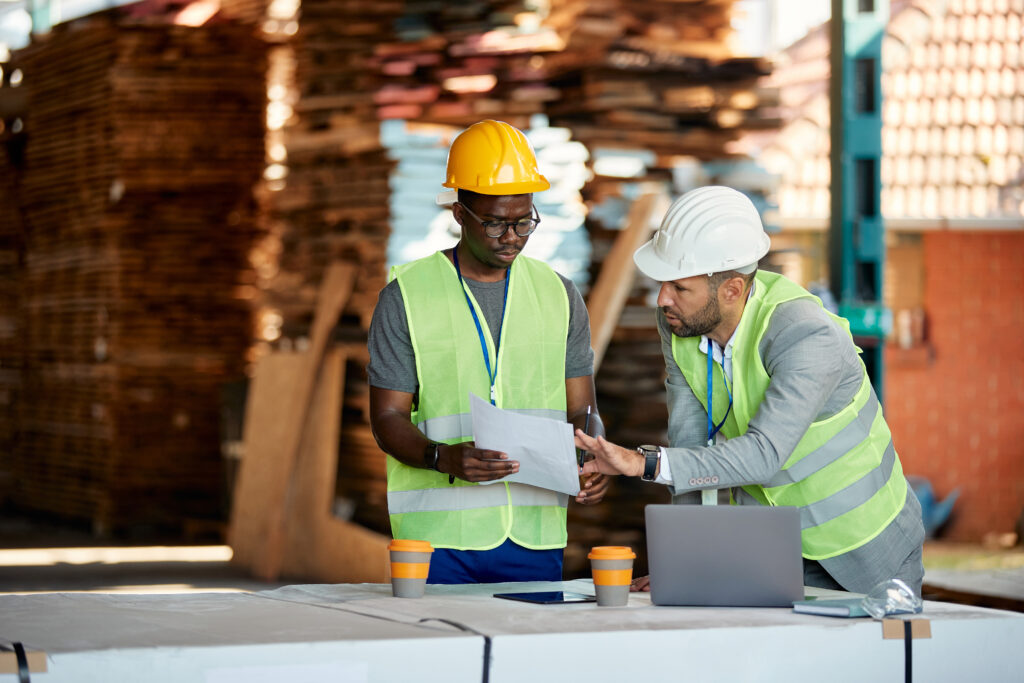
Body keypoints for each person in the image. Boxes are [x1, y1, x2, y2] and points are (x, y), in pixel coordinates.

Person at [575, 185, 925, 596]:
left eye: (680, 287)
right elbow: (689, 444)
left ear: (733, 290)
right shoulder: (680, 324)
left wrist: (642, 463)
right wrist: (686, 563)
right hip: (773, 549)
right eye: (663, 282)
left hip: (867, 548)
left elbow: (764, 455)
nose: (662, 298)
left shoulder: (806, 335)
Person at [368, 119, 609, 584]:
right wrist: (443, 458)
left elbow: (583, 406)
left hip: (535, 536)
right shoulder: (406, 296)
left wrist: (590, 454)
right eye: (496, 222)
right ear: (459, 212)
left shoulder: (558, 294)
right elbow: (387, 418)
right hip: (435, 542)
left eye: (524, 221)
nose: (512, 236)